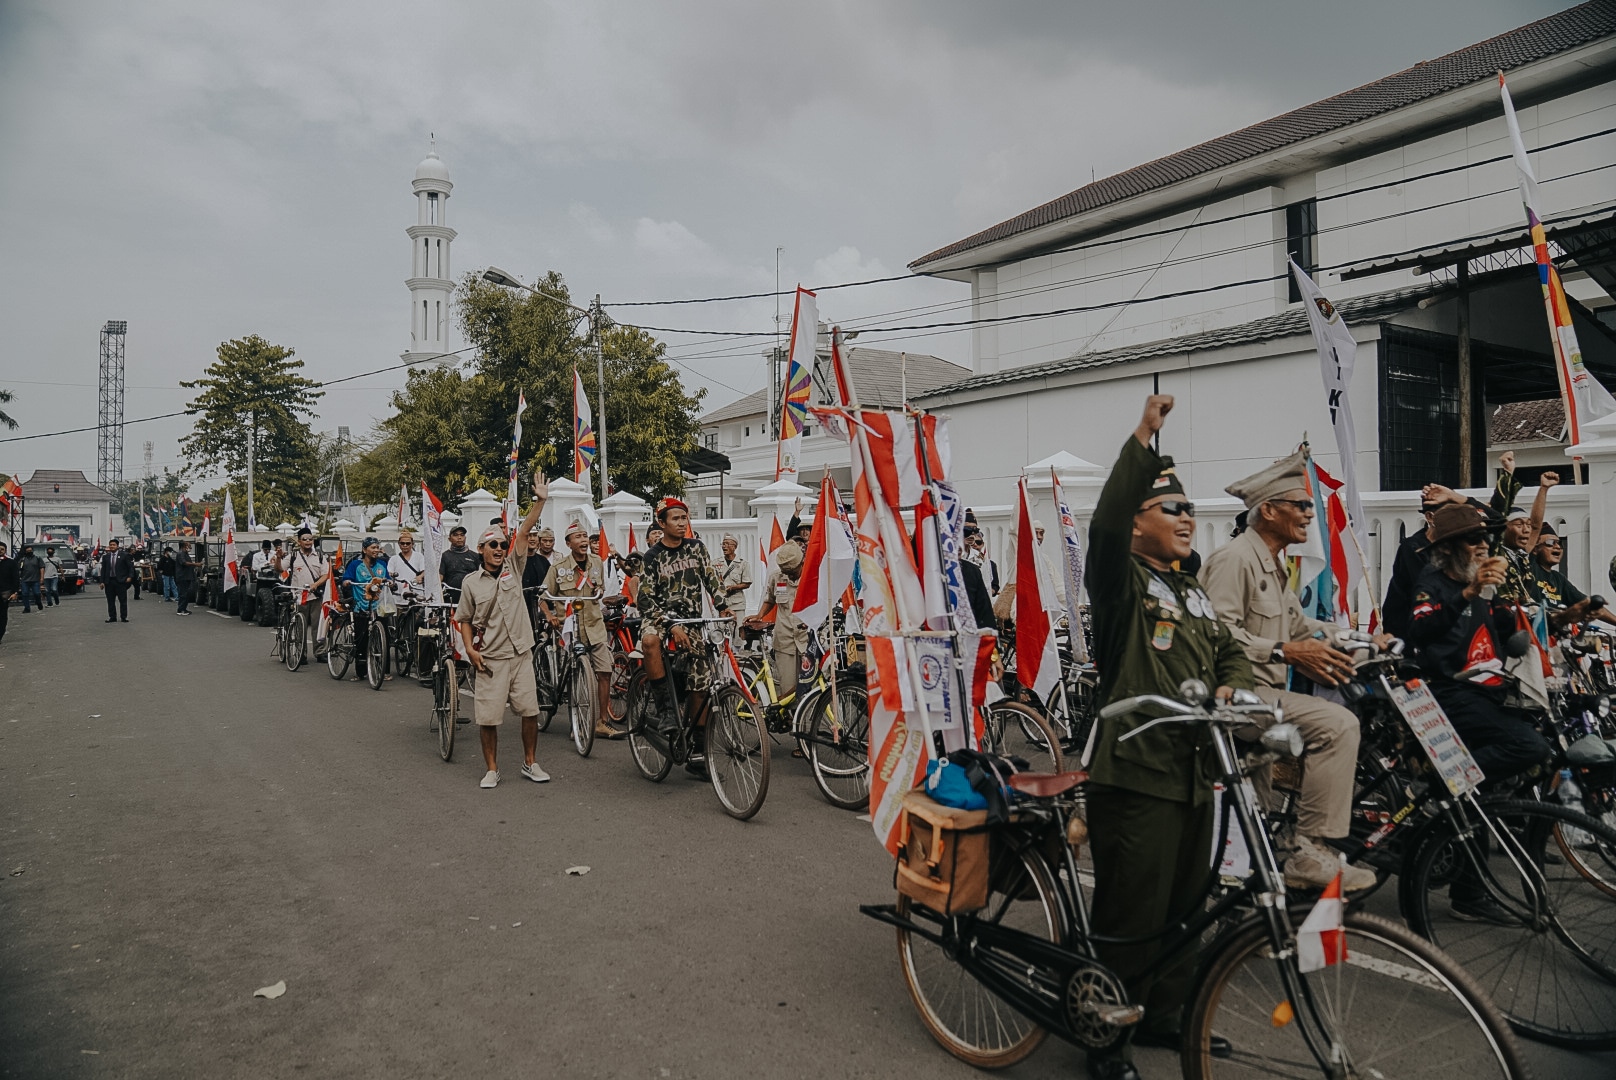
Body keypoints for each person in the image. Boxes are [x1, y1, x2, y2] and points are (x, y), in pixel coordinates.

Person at [1083, 395, 1252, 1079]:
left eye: (1189, 510)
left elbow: (1228, 650)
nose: (1188, 519)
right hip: (1134, 771)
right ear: (1135, 527)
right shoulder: (1121, 585)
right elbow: (1100, 528)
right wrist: (1142, 442)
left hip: (1192, 772)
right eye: (1171, 509)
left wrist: (1230, 686)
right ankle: (1103, 1037)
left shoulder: (1193, 593)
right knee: (1132, 914)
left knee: (1188, 908)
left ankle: (1167, 1016)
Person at [1200, 450, 1378, 892]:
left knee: (1249, 820)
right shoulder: (1235, 559)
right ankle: (1310, 851)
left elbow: (1302, 626)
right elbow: (1216, 635)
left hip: (1262, 700)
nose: (1308, 513)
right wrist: (1285, 652)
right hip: (1237, 696)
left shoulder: (1273, 564)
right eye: (1300, 505)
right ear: (1269, 510)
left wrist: (1366, 641)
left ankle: (1241, 918)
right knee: (1337, 724)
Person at [1405, 504, 1555, 924]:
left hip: (1488, 691)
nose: (1484, 546)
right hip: (1448, 692)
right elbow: (1420, 629)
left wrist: (1521, 617)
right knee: (1526, 746)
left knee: (1493, 794)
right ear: (1452, 548)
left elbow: (1504, 634)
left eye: (1486, 539)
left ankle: (1469, 893)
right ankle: (1445, 781)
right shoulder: (1432, 584)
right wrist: (1467, 596)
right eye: (1474, 541)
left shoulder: (1484, 585)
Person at [456, 472, 550, 788]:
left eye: (501, 544)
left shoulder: (514, 568)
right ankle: (492, 769)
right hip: (491, 660)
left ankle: (530, 762)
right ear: (481, 549)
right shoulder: (470, 584)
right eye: (492, 544)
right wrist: (470, 649)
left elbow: (523, 532)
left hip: (521, 653)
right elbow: (464, 620)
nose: (499, 548)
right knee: (488, 718)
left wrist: (539, 501)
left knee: (530, 711)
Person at [638, 497, 732, 770]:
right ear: (662, 523)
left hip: (691, 622)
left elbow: (712, 580)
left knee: (700, 680)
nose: (681, 524)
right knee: (649, 641)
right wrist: (670, 625)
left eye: (684, 518)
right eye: (675, 519)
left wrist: (723, 606)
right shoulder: (653, 556)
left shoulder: (697, 549)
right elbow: (645, 600)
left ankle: (699, 749)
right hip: (660, 619)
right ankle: (666, 709)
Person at [542, 521, 621, 741]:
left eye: (585, 536)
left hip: (595, 626)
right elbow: (543, 597)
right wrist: (550, 617)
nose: (584, 540)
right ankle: (577, 721)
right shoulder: (558, 568)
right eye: (578, 537)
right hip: (570, 628)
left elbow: (601, 589)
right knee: (574, 674)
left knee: (605, 671)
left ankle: (601, 722)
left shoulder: (597, 562)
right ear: (568, 543)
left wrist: (598, 591)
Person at [747, 542, 807, 703]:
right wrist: (759, 615)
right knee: (788, 688)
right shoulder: (776, 577)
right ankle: (790, 721)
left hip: (807, 640)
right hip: (784, 638)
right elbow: (770, 600)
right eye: (786, 572)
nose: (789, 575)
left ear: (802, 563)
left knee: (811, 686)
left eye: (793, 572)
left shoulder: (813, 577)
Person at [1529, 523, 1616, 625]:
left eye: (1559, 543)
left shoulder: (1559, 579)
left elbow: (1585, 603)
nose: (1557, 546)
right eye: (1550, 542)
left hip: (1554, 635)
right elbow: (1535, 522)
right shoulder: (1530, 568)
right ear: (1534, 549)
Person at [275, 528, 331, 656]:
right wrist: (278, 558)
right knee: (300, 625)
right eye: (304, 539)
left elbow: (326, 575)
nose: (308, 542)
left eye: (310, 539)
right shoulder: (293, 556)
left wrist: (315, 585)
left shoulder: (320, 557)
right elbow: (279, 569)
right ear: (299, 541)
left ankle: (320, 652)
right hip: (299, 597)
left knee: (318, 625)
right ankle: (301, 653)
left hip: (316, 596)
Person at [343, 537, 392, 682]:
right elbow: (346, 578)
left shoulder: (382, 565)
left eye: (377, 547)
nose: (376, 550)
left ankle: (384, 670)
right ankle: (360, 672)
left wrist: (390, 581)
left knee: (385, 639)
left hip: (379, 607)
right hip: (361, 606)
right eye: (373, 548)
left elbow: (388, 578)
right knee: (361, 640)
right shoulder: (355, 565)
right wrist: (346, 582)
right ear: (365, 550)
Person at [718, 533, 752, 625]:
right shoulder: (716, 563)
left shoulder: (743, 564)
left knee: (738, 632)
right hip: (721, 604)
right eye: (723, 544)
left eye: (728, 544)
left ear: (734, 547)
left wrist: (733, 587)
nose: (724, 546)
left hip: (737, 603)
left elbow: (747, 583)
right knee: (720, 633)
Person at [439, 525, 482, 594]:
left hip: (471, 594)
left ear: (465, 538)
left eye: (462, 535)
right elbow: (440, 576)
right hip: (451, 596)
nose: (459, 537)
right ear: (449, 539)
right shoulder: (445, 556)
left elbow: (482, 576)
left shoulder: (475, 556)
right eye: (455, 535)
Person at [99, 538, 133, 623]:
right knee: (110, 600)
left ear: (117, 546)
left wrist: (130, 577)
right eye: (110, 545)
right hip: (109, 581)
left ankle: (124, 617)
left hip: (121, 581)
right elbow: (103, 570)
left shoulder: (124, 555)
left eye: (114, 545)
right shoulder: (106, 557)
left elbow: (130, 567)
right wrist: (102, 581)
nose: (112, 546)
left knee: (123, 600)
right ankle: (112, 617)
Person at [388, 529, 426, 601]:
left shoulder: (419, 556)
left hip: (416, 592)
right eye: (402, 543)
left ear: (412, 544)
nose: (405, 545)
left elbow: (425, 571)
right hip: (398, 594)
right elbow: (390, 573)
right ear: (399, 544)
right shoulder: (393, 559)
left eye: (408, 543)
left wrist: (420, 577)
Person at [0, 542, 18, 644]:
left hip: (5, 593)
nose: (0, 551)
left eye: (2, 549)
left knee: (2, 614)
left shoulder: (11, 563)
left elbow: (15, 579)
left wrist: (15, 592)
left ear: (5, 550)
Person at [174, 541, 198, 614]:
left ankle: (184, 608)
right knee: (183, 594)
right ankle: (181, 609)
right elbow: (184, 563)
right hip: (182, 577)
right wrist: (195, 564)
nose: (190, 547)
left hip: (187, 576)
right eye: (188, 545)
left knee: (186, 594)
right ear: (184, 546)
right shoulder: (181, 553)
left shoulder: (185, 554)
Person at [17, 545, 42, 613]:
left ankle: (38, 602)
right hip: (25, 580)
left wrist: (42, 577)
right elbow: (19, 569)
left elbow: (41, 568)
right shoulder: (22, 560)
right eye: (28, 551)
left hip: (35, 580)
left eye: (30, 551)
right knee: (25, 594)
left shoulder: (37, 558)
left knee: (37, 593)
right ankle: (27, 608)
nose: (29, 552)